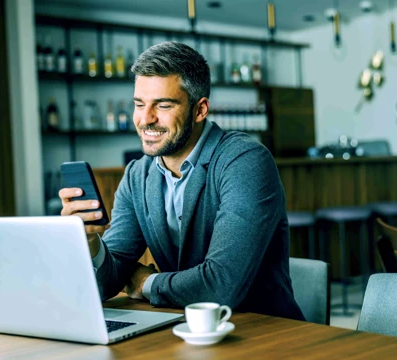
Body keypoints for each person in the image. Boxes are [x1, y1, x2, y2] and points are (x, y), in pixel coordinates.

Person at [60, 41, 304, 320]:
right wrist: (89, 239)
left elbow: (221, 286)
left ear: (200, 110)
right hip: (182, 328)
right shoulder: (137, 175)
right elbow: (110, 278)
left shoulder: (245, 161)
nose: (145, 119)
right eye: (139, 104)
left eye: (163, 105)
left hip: (265, 332)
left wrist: (145, 283)